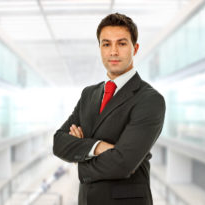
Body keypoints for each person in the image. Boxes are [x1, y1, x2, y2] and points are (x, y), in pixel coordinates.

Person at [53, 12, 166, 205]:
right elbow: (59, 142)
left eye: (121, 44)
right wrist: (98, 147)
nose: (113, 51)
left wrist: (80, 157)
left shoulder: (150, 99)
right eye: (106, 44)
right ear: (100, 48)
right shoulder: (89, 94)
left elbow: (123, 164)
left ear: (135, 48)